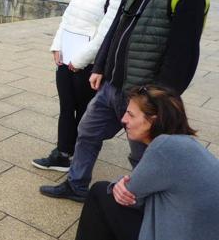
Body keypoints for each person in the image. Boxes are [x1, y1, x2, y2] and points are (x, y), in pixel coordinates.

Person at [40, 0, 207, 202]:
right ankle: (77, 185)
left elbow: (183, 59)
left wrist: (153, 103)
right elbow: (116, 30)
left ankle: (143, 202)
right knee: (87, 131)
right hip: (112, 85)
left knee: (143, 154)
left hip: (143, 96)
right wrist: (102, 67)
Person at [31, 0, 130, 172]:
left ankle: (73, 153)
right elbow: (68, 18)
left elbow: (105, 33)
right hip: (66, 58)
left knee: (84, 111)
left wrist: (80, 61)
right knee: (66, 108)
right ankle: (63, 152)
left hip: (87, 64)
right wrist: (57, 46)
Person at [75, 85, 219, 240]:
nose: (123, 119)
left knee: (100, 192)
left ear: (153, 120)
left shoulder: (164, 147)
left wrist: (117, 184)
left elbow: (130, 196)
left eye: (130, 114)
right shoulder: (186, 143)